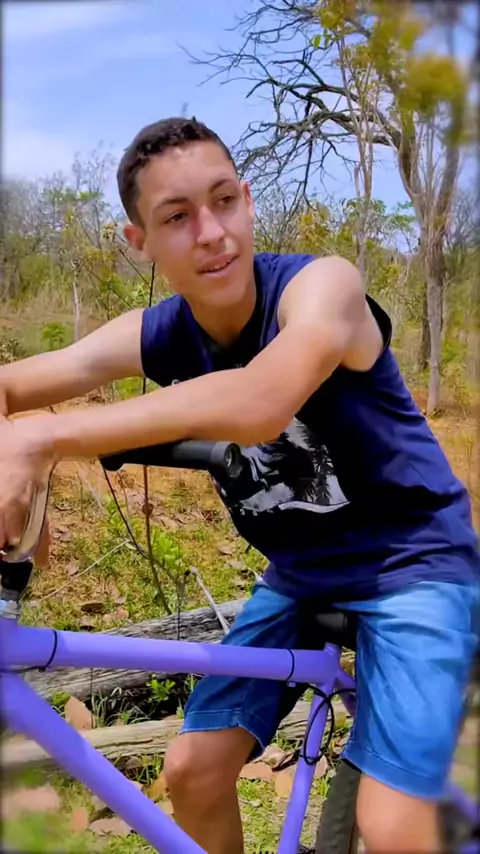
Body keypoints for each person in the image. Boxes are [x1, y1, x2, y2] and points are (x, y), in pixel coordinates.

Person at [0, 117, 478, 854]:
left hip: (414, 564)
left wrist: (44, 438)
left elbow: (261, 401)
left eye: (224, 201)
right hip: (302, 575)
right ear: (140, 242)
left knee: (392, 829)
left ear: (249, 202)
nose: (212, 232)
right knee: (192, 772)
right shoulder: (162, 333)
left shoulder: (323, 288)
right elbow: (10, 385)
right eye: (177, 217)